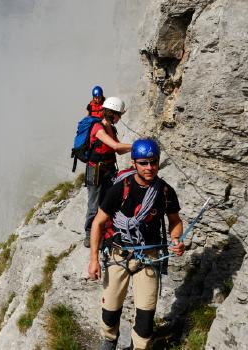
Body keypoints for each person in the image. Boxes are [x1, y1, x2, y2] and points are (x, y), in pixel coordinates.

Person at [87, 138, 186, 350]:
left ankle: (139, 347)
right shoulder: (119, 189)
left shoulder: (165, 192)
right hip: (118, 253)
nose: (149, 167)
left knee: (145, 316)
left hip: (149, 256)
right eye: (144, 163)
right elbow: (98, 222)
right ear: (134, 164)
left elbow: (175, 221)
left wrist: (177, 239)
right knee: (111, 309)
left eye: (153, 162)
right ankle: (109, 340)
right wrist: (94, 259)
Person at [83, 96, 132, 248]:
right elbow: (116, 147)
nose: (120, 118)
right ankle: (89, 234)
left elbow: (119, 150)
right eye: (119, 115)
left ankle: (105, 231)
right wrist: (137, 145)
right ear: (113, 113)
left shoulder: (111, 128)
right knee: (94, 203)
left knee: (108, 201)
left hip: (108, 170)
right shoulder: (98, 128)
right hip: (96, 170)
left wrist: (133, 149)